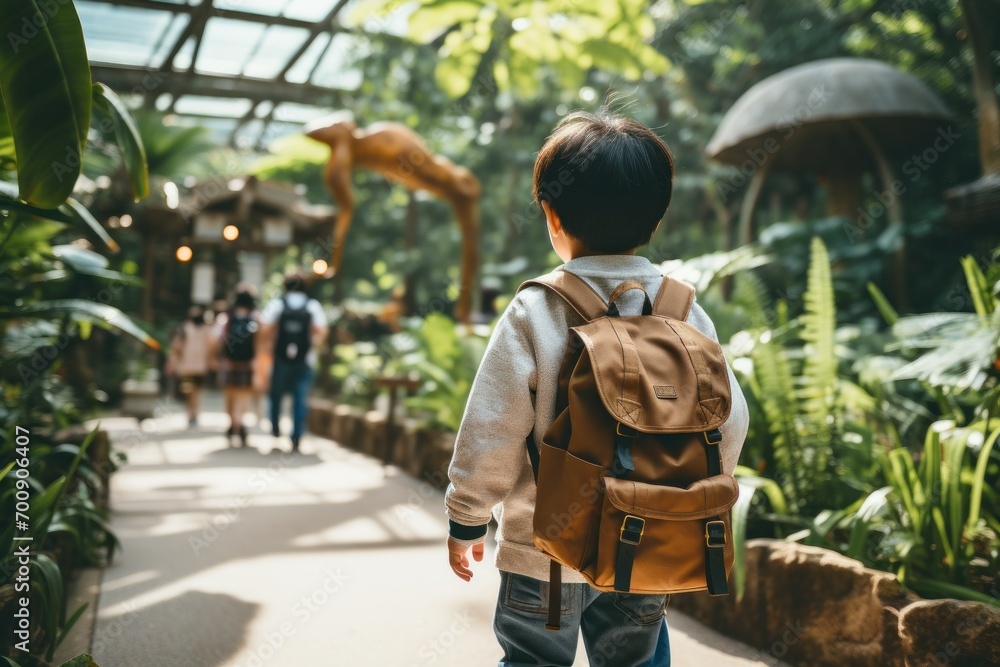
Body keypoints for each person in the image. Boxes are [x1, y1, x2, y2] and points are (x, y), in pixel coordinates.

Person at [444, 111, 749, 666]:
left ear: (553, 216)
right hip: (648, 536)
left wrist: (468, 516)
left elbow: (494, 423)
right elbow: (729, 421)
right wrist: (682, 498)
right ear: (654, 217)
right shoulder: (685, 310)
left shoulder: (537, 308)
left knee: (534, 658)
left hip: (545, 555)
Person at [260, 271, 329, 452]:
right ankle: (296, 436)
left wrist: (268, 347)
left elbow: (265, 329)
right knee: (300, 398)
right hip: (304, 360)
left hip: (280, 360)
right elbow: (322, 333)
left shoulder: (277, 305)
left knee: (276, 395)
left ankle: (275, 428)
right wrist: (312, 345)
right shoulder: (313, 306)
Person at [214, 283, 260, 447]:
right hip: (248, 364)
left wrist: (218, 359)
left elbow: (217, 340)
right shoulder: (256, 318)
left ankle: (233, 423)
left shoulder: (226, 318)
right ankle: (239, 422)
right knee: (243, 398)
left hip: (229, 363)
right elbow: (260, 343)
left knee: (230, 397)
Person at [167, 306, 214, 428]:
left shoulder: (187, 328)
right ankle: (193, 415)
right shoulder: (204, 330)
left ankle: (192, 415)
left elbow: (176, 348)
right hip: (196, 368)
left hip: (189, 368)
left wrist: (172, 363)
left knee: (192, 392)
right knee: (194, 392)